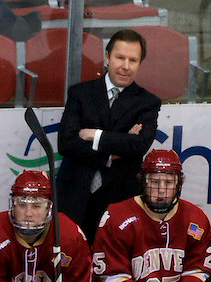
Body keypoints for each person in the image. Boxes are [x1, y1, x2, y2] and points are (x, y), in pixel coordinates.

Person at [57, 28, 161, 244]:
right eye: (120, 57)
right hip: (74, 193)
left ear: (140, 64)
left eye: (133, 60)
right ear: (107, 57)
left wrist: (94, 135)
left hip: (119, 196)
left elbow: (139, 145)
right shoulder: (80, 94)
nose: (125, 66)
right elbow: (66, 143)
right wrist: (111, 152)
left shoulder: (148, 102)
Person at [91, 149, 211, 282]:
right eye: (155, 182)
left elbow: (198, 270)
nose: (161, 190)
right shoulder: (116, 217)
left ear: (178, 184)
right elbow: (110, 276)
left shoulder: (195, 219)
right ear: (144, 181)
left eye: (168, 183)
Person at [0, 170, 92, 282]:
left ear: (48, 209)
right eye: (21, 205)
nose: (28, 213)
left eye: (36, 206)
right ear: (12, 206)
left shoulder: (69, 236)